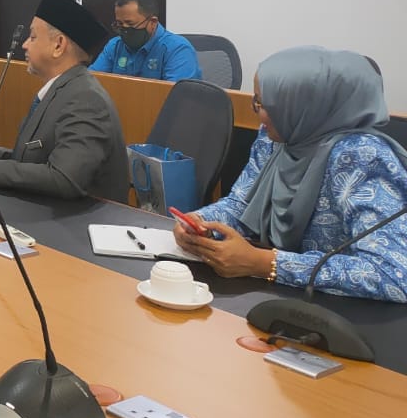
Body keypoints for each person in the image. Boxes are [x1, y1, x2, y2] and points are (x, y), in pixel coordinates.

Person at [173, 47, 407, 301]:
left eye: (264, 104)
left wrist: (265, 263)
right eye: (256, 101)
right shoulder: (278, 138)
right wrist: (200, 223)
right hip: (278, 296)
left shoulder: (361, 157)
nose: (256, 113)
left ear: (304, 107)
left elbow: (392, 274)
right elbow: (242, 203)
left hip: (345, 310)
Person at [0, 0, 129, 202]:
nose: (24, 45)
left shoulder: (86, 99)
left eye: (33, 37)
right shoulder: (63, 89)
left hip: (82, 218)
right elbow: (29, 160)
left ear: (58, 45)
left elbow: (64, 178)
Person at [90, 0, 200, 81]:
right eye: (119, 23)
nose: (124, 29)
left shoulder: (177, 49)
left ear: (152, 22)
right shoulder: (115, 46)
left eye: (130, 23)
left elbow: (177, 95)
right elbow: (92, 82)